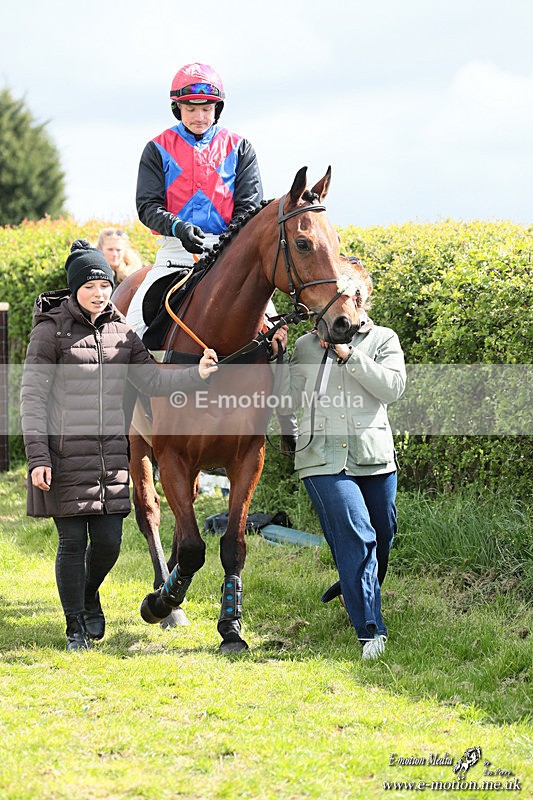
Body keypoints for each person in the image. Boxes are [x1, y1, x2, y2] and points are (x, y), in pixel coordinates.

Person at [20, 239, 218, 652]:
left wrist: (196, 373)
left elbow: (154, 381)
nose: (99, 293)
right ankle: (75, 627)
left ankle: (88, 593)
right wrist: (38, 457)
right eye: (90, 286)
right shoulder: (49, 331)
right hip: (62, 457)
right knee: (72, 544)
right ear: (75, 289)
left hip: (110, 459)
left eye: (105, 286)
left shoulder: (122, 333)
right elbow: (32, 397)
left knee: (109, 544)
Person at [270, 267, 406, 660]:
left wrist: (349, 357)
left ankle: (353, 589)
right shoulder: (306, 346)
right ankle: (371, 632)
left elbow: (392, 388)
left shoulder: (382, 339)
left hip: (373, 455)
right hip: (321, 458)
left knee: (382, 535)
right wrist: (279, 358)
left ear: (357, 300)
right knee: (357, 535)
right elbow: (285, 397)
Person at [128, 62, 263, 338]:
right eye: (190, 109)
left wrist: (228, 244)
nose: (199, 116)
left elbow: (249, 207)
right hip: (175, 253)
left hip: (230, 253)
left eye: (206, 109)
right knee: (132, 332)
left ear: (217, 109)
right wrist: (179, 228)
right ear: (177, 108)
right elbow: (147, 206)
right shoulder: (156, 148)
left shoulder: (241, 148)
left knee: (274, 334)